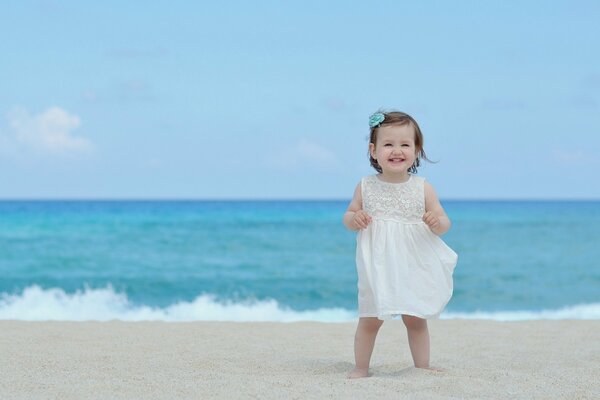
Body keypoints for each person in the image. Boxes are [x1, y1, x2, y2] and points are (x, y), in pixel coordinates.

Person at [343, 110, 458, 379]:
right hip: (378, 263)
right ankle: (361, 367)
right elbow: (348, 216)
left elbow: (444, 222)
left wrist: (435, 222)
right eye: (388, 144)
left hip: (413, 261)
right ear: (374, 150)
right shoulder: (365, 186)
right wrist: (355, 218)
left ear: (417, 150)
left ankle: (422, 366)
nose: (397, 151)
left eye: (405, 144)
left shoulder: (422, 188)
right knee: (370, 318)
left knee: (415, 318)